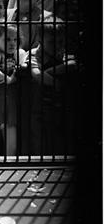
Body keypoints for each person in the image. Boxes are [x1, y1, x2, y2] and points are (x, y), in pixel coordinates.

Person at [28, 17, 78, 155]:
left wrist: (49, 72)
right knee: (39, 146)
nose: (57, 46)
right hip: (39, 109)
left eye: (60, 42)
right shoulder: (34, 54)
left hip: (61, 110)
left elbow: (74, 65)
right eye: (51, 42)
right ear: (40, 41)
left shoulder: (63, 53)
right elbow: (37, 75)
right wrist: (58, 83)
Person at [0, 23, 27, 156]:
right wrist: (5, 78)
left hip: (10, 104)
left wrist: (16, 73)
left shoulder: (19, 53)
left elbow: (25, 65)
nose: (12, 43)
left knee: (11, 145)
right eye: (7, 39)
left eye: (15, 39)